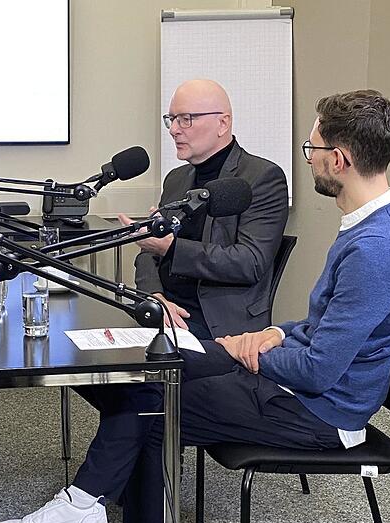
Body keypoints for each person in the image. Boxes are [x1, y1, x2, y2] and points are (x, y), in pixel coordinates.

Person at [0, 90, 390, 523]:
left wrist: (250, 351)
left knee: (152, 404)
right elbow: (325, 327)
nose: (309, 158)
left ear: (338, 160)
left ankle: (84, 505)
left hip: (319, 412)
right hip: (297, 384)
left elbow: (318, 371)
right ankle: (86, 506)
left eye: (312, 148)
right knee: (146, 382)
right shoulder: (375, 227)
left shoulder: (377, 250)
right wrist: (277, 333)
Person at [119, 79, 289, 340]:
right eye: (171, 119)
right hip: (166, 313)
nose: (174, 130)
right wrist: (155, 296)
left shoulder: (262, 177)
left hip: (218, 325)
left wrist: (171, 248)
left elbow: (250, 262)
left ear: (223, 123)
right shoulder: (176, 179)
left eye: (185, 119)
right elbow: (149, 253)